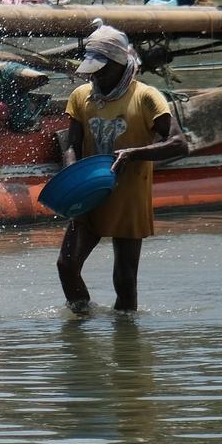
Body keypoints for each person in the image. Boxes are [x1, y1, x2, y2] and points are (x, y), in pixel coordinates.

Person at [57, 25, 188, 313]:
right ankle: (83, 325)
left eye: (102, 70)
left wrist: (133, 154)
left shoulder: (146, 97)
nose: (96, 76)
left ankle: (126, 345)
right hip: (90, 193)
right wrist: (72, 179)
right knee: (66, 265)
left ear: (120, 64)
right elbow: (72, 144)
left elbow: (179, 144)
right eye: (92, 70)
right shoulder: (82, 96)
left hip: (128, 197)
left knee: (125, 280)